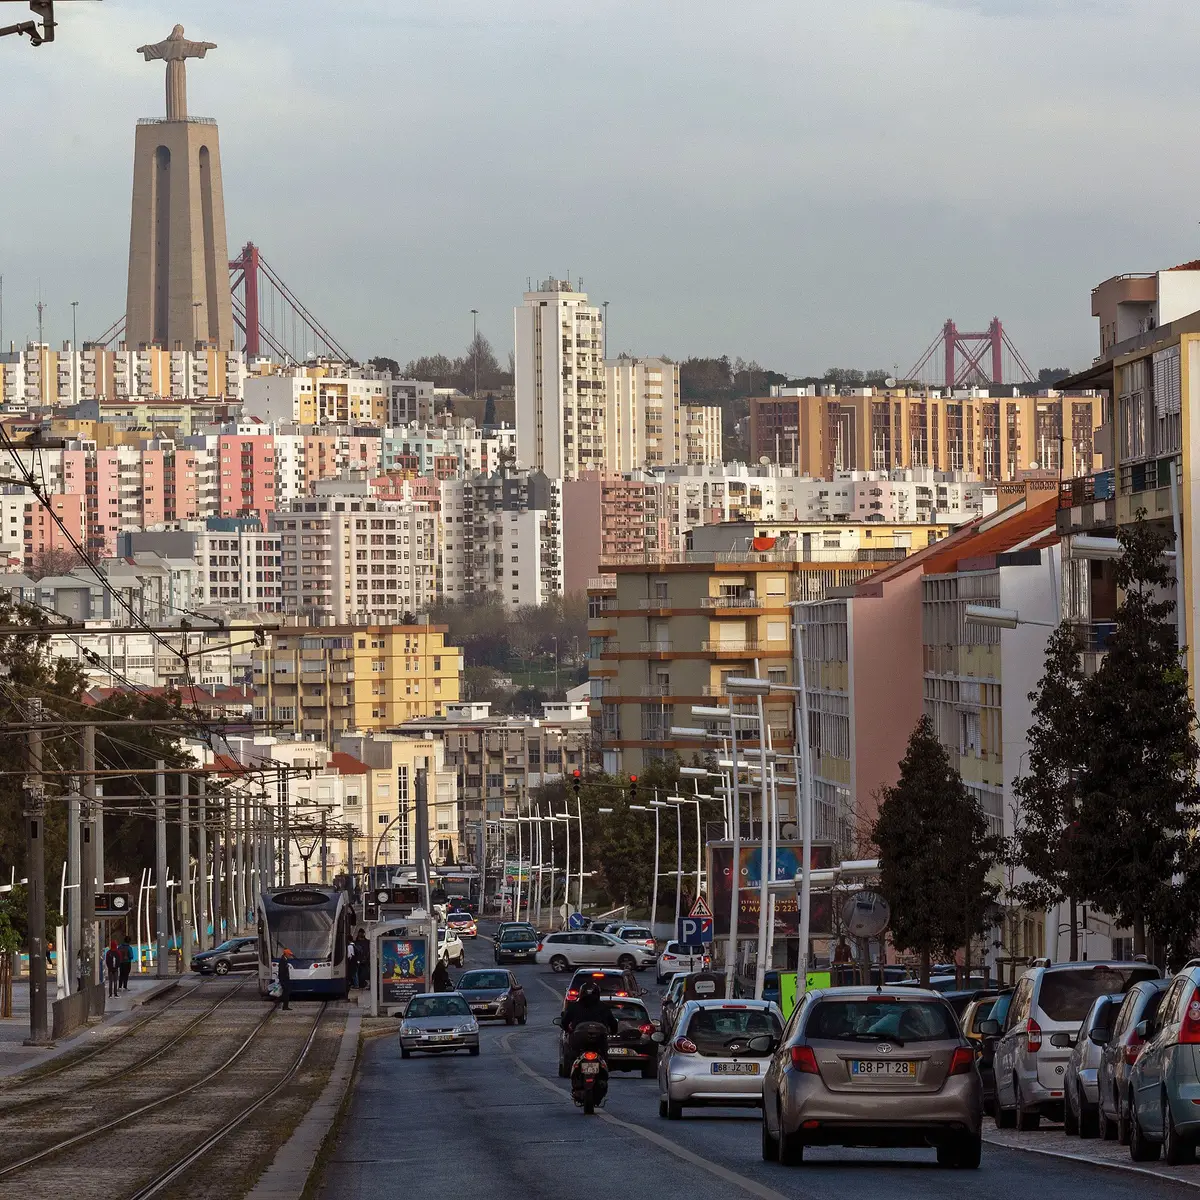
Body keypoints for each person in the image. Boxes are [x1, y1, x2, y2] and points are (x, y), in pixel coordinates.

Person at [561, 980, 618, 1060]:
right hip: (599, 1041)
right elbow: (613, 1023)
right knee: (604, 1054)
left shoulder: (574, 1006)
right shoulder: (604, 1007)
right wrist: (612, 1031)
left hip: (579, 1041)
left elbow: (564, 1022)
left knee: (570, 1053)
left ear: (581, 993)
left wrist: (569, 1030)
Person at [277, 947, 293, 1011]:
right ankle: (284, 1006)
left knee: (286, 993)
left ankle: (285, 1006)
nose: (290, 955)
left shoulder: (284, 959)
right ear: (286, 954)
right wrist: (283, 980)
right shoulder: (283, 960)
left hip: (284, 979)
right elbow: (282, 971)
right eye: (289, 954)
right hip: (284, 980)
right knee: (286, 993)